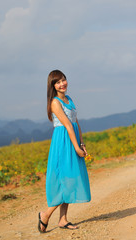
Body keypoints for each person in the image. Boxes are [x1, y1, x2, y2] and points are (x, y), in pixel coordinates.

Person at [38, 70, 91, 233]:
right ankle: (45, 214)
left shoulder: (70, 99)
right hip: (63, 143)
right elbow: (67, 125)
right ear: (53, 86)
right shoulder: (55, 102)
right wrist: (75, 146)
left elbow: (76, 123)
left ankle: (63, 220)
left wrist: (81, 143)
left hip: (73, 139)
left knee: (70, 179)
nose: (62, 84)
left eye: (63, 80)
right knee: (63, 179)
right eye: (58, 82)